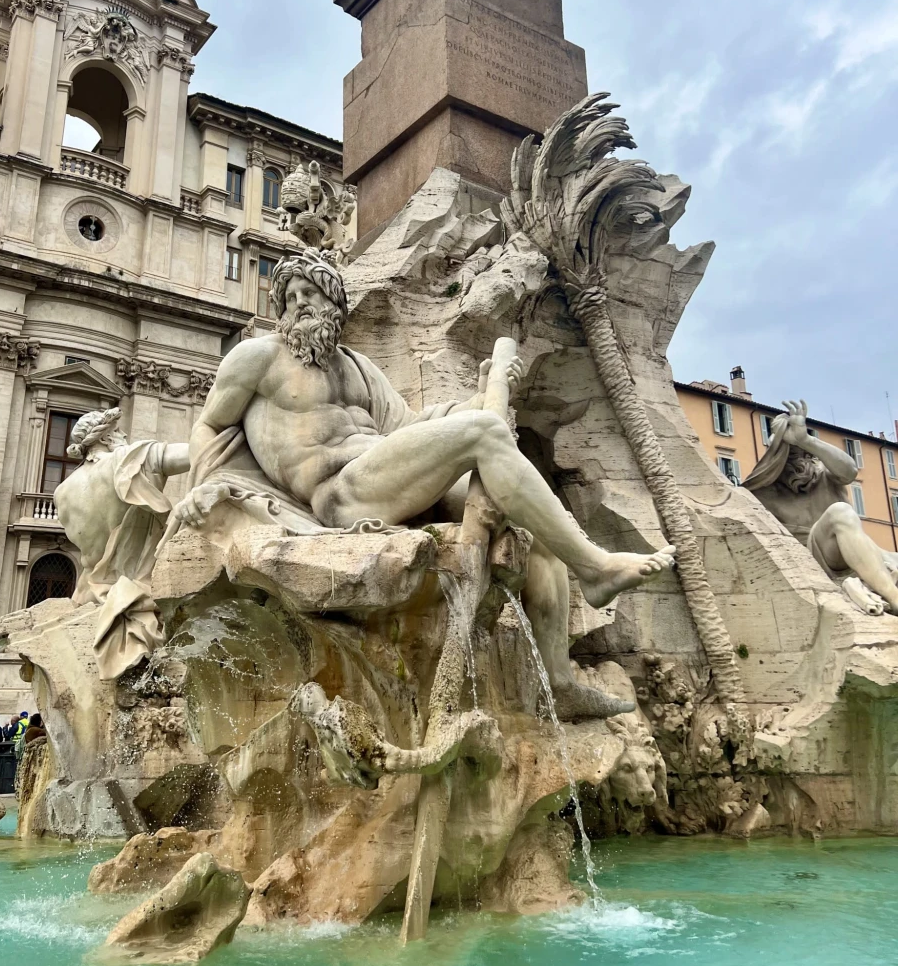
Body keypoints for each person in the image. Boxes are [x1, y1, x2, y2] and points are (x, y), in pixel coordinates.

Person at [167, 249, 676, 721]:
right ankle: (595, 567)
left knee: (531, 528)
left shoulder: (361, 368)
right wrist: (209, 485)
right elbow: (211, 426)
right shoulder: (258, 357)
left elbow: (409, 428)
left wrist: (480, 397)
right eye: (289, 297)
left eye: (310, 293)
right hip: (340, 493)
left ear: (334, 301)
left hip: (386, 477)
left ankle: (559, 682)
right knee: (484, 433)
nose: (299, 304)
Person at [53, 408, 189, 680]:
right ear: (105, 437)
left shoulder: (62, 492)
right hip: (139, 598)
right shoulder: (128, 461)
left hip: (89, 598)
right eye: (117, 430)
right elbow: (199, 452)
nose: (124, 434)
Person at [744, 400, 898, 616]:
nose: (801, 460)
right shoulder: (764, 494)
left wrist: (806, 439)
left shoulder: (829, 475)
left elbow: (851, 471)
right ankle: (894, 598)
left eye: (804, 452)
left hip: (862, 551)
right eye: (790, 453)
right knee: (840, 512)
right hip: (816, 559)